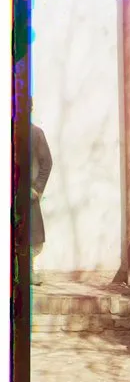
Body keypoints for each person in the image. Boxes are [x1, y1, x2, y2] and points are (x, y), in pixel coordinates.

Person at [30, 98, 53, 285]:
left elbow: (47, 163)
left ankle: (29, 272)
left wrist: (37, 188)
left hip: (26, 195)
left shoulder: (36, 133)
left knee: (32, 235)